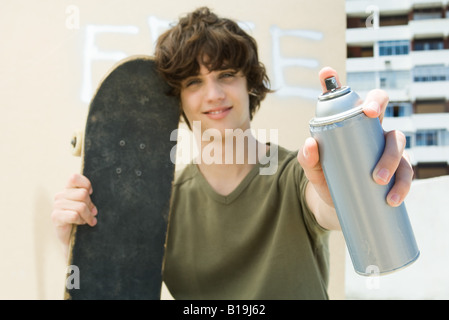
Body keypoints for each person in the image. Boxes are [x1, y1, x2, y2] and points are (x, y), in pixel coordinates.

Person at [52, 7, 413, 299]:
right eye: (193, 82)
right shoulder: (162, 209)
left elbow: (327, 204)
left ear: (250, 84)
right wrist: (83, 240)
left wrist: (358, 178)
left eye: (226, 75)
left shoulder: (296, 176)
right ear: (177, 100)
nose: (213, 94)